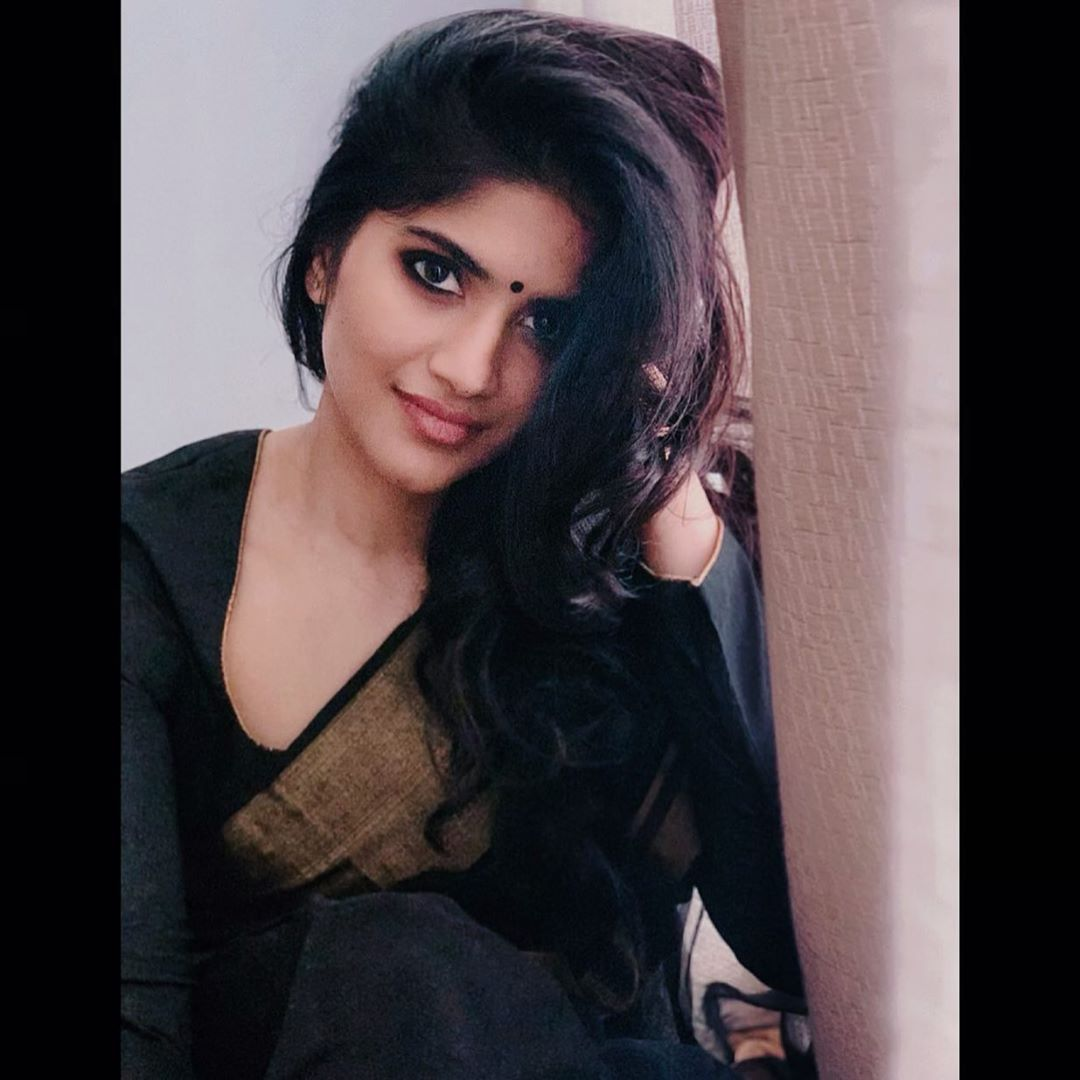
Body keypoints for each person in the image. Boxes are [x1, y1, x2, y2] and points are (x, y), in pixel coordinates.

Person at [121, 10, 807, 1078]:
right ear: (324, 258)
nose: (472, 368)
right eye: (435, 272)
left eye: (546, 326)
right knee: (388, 970)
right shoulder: (150, 562)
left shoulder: (587, 577)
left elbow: (781, 940)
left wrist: (673, 512)